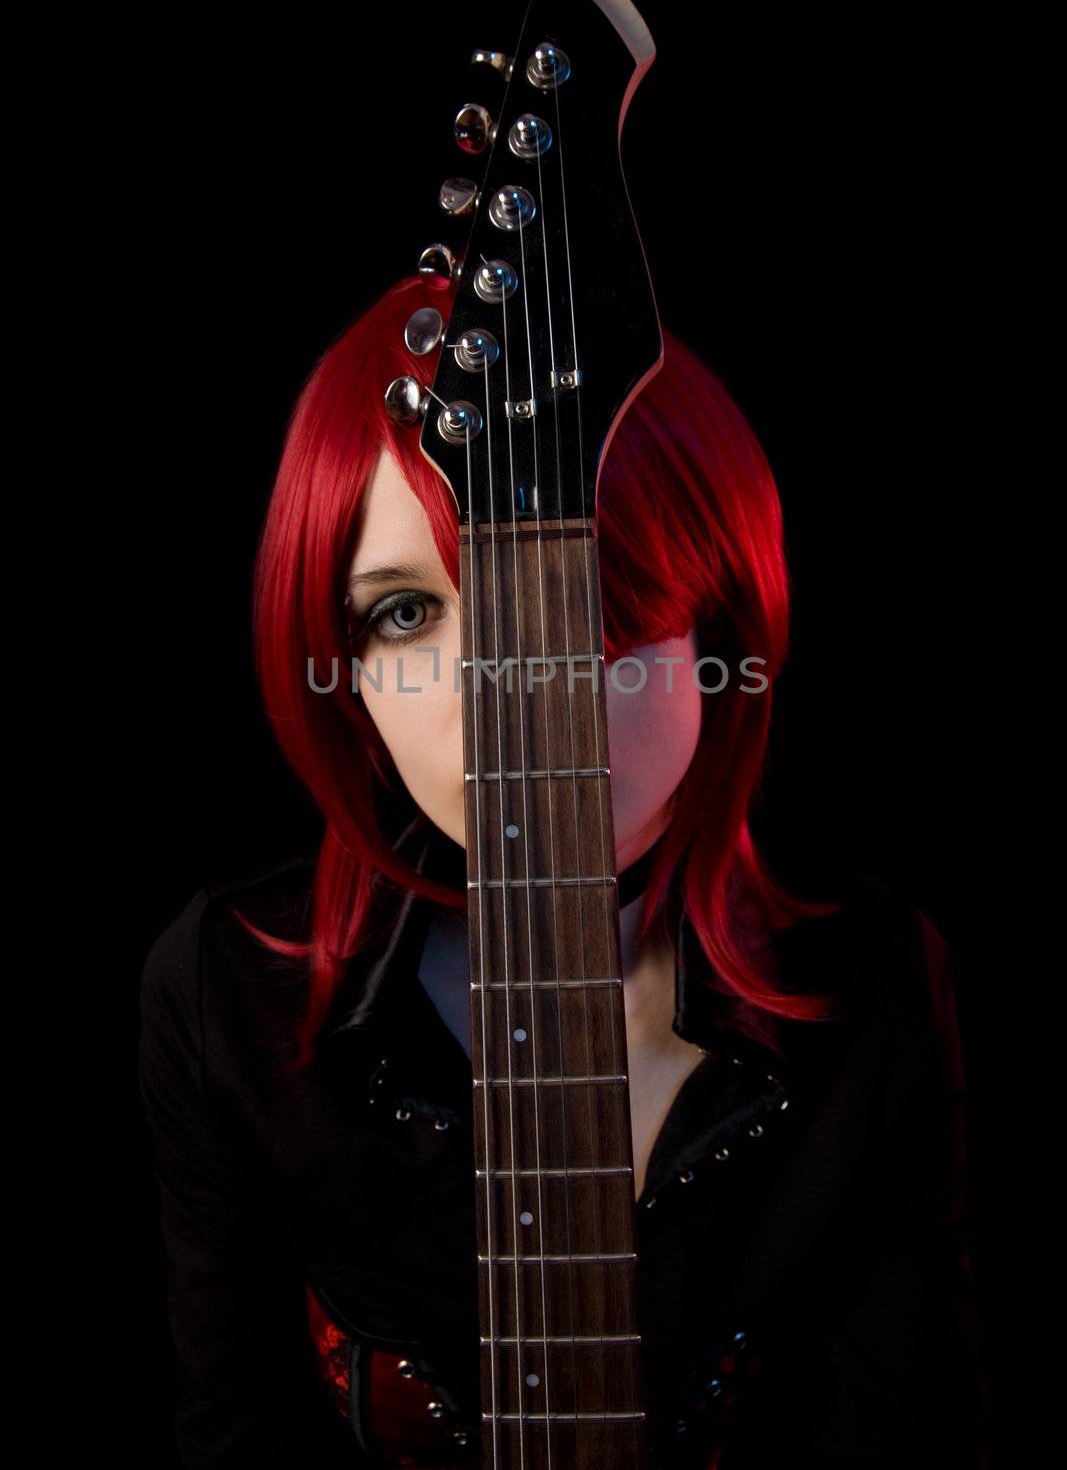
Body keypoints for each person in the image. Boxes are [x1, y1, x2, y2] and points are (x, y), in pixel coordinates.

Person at [139, 271, 990, 1467]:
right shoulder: (227, 998)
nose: (501, 691)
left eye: (574, 582)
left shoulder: (877, 989)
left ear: (717, 624)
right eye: (400, 616)